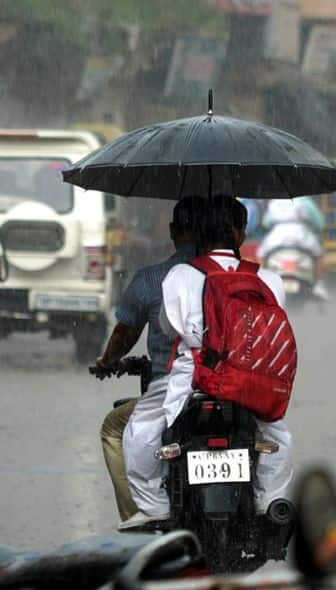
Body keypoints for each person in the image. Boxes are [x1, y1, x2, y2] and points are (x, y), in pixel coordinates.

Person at [120, 195, 293, 529]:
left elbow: (169, 328)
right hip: (249, 385)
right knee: (278, 437)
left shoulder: (180, 275)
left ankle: (155, 508)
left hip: (193, 379)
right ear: (241, 233)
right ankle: (268, 501)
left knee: (141, 430)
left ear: (200, 231)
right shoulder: (269, 280)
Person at [96, 195, 204, 522]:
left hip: (170, 387)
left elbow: (124, 335)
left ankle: (139, 515)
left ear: (173, 230)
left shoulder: (152, 278)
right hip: (227, 387)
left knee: (115, 428)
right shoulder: (228, 277)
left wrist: (107, 361)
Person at [257, 196, 329, 301]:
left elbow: (266, 223)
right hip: (301, 235)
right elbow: (320, 223)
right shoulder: (305, 201)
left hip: (276, 236)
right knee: (318, 254)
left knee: (262, 255)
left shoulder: (275, 203)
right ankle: (318, 285)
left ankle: (261, 285)